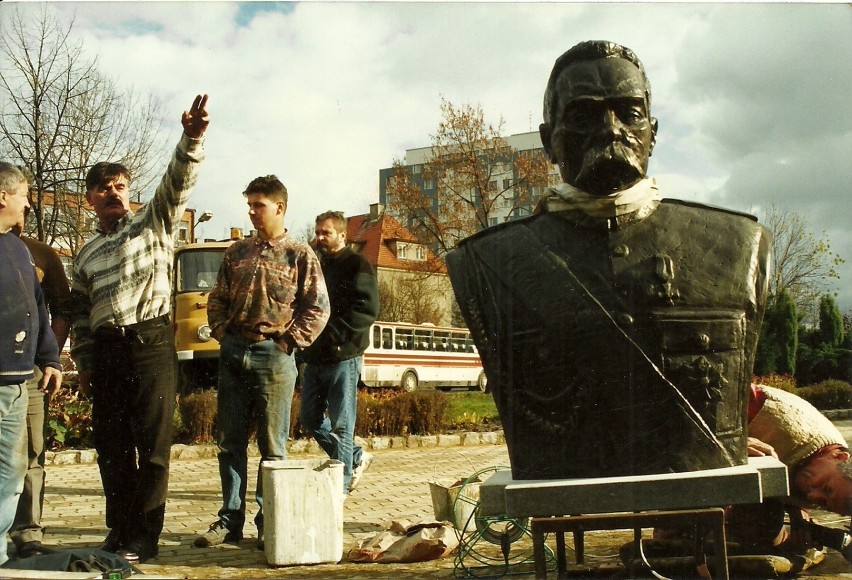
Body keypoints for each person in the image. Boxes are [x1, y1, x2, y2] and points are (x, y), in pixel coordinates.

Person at [447, 41, 771, 480]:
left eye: (629, 113)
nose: (610, 129)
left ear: (652, 133)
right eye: (583, 116)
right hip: (558, 468)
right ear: (548, 141)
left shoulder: (736, 243)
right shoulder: (487, 261)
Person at [70, 94, 210, 563]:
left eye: (120, 185)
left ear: (129, 192)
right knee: (111, 447)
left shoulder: (153, 223)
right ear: (91, 198)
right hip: (107, 350)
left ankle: (145, 537)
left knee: (151, 445)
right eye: (103, 188)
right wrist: (85, 365)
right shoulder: (85, 255)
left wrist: (191, 138)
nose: (113, 193)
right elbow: (81, 318)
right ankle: (120, 529)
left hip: (150, 342)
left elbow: (177, 183)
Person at [195, 175, 329, 550]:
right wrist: (221, 332)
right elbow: (217, 298)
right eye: (249, 205)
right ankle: (229, 520)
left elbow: (317, 308)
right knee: (229, 442)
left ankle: (268, 520)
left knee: (273, 446)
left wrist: (288, 343)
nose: (252, 212)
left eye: (259, 205)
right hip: (234, 352)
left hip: (275, 355)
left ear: (280, 208)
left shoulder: (299, 254)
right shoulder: (236, 252)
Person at [0, 162, 63, 566]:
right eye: (24, 194)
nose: (28, 203)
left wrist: (50, 358)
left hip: (19, 383)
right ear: (2, 196)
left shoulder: (18, 248)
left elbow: (37, 310)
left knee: (10, 472)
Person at [300, 211, 379, 494]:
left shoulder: (358, 265)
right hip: (316, 356)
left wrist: (335, 335)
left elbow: (367, 310)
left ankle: (342, 486)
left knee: (342, 424)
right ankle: (355, 456)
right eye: (317, 232)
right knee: (309, 419)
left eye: (326, 233)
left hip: (344, 356)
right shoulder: (317, 265)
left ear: (342, 235)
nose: (320, 237)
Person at [9, 214, 72, 559]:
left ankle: (28, 532)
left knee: (31, 452)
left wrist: (49, 357)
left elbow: (61, 309)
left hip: (30, 372)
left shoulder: (41, 255)